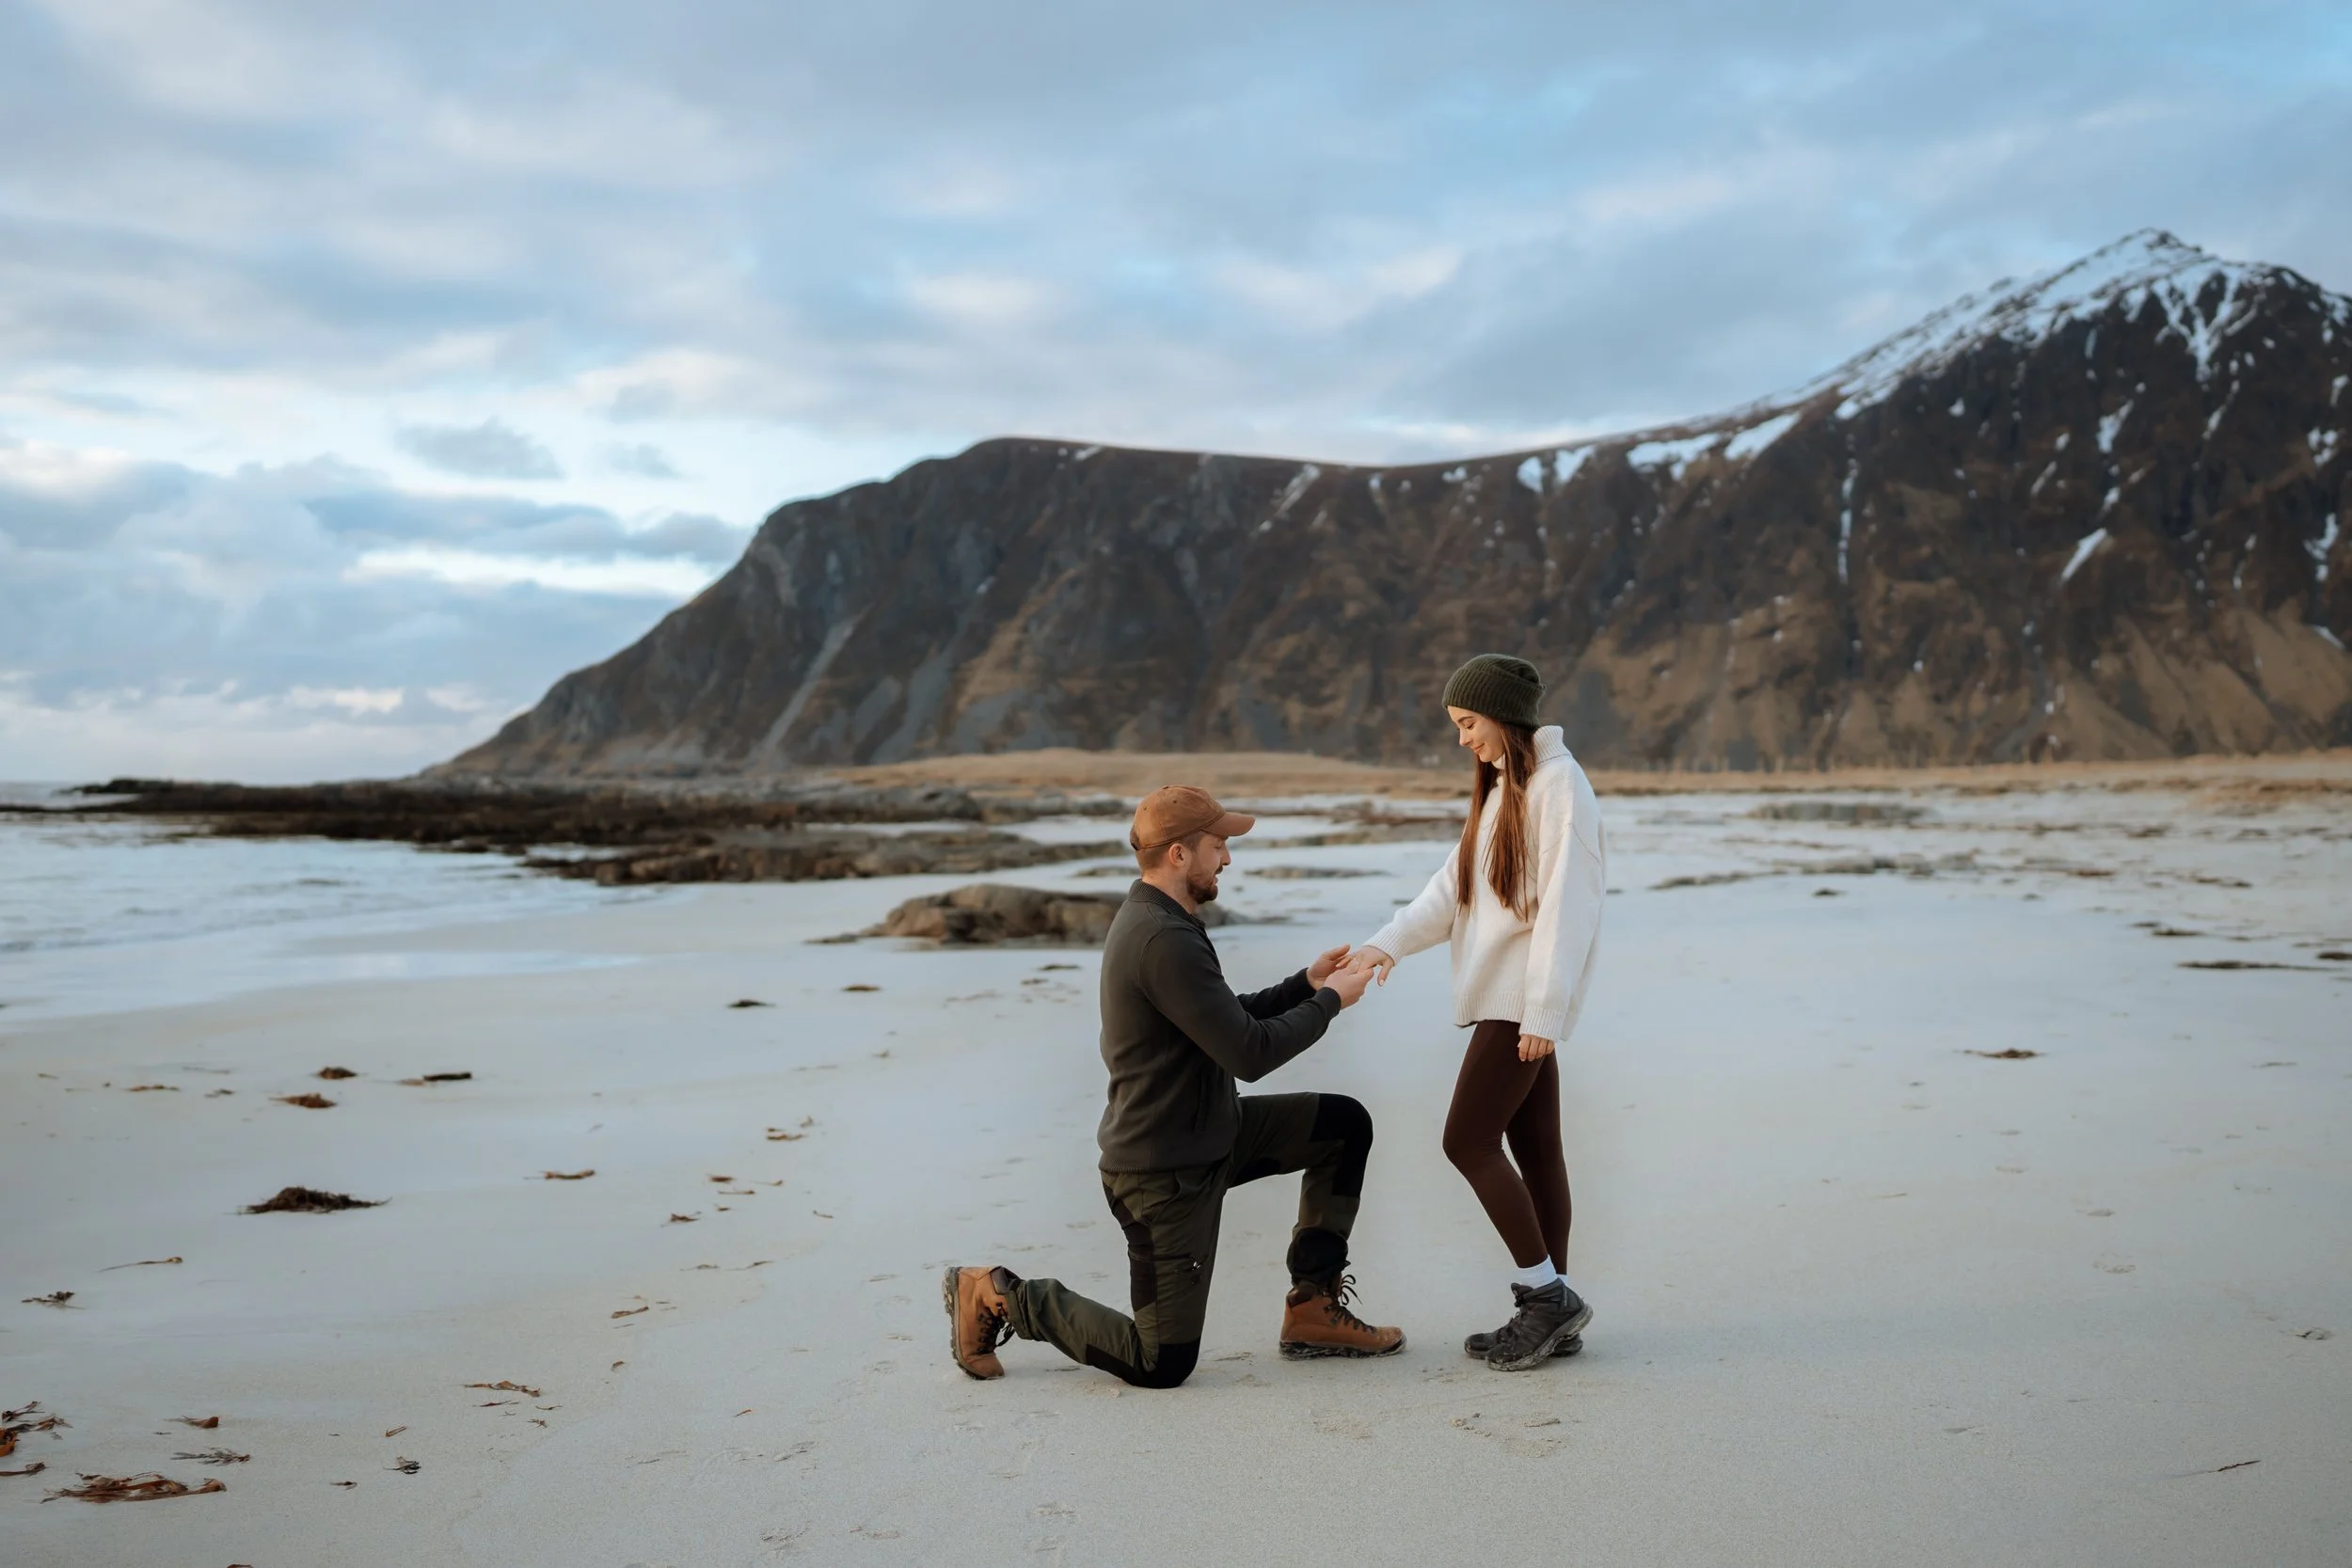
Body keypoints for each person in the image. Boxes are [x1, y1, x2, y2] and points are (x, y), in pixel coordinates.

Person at [945, 784, 1404, 1387]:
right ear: (1179, 855)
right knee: (1159, 1362)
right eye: (1219, 846)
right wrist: (1329, 1003)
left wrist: (1303, 984)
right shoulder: (1161, 938)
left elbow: (1222, 1019)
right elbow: (1248, 1052)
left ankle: (1312, 1309)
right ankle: (1000, 1295)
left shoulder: (1167, 919)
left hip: (1214, 1134)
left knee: (1343, 1125)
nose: (1229, 860)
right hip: (1163, 1175)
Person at [1346, 654, 1607, 1371]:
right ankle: (1557, 1310)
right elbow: (1452, 889)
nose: (1462, 739)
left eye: (1467, 723)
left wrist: (1544, 1012)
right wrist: (1383, 945)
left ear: (1501, 716)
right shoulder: (1504, 790)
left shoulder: (1561, 787)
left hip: (1519, 1004)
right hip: (1515, 1003)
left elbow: (1568, 908)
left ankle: (1546, 1296)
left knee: (1466, 1140)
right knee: (1538, 1151)